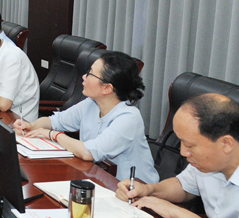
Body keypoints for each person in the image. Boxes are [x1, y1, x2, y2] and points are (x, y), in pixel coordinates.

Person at [15, 51, 159, 183]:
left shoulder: (128, 118)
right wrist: (32, 126)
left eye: (90, 74)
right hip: (99, 177)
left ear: (107, 88)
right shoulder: (91, 104)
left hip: (134, 191)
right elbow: (55, 121)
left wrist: (53, 135)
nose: (84, 76)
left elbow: (88, 152)